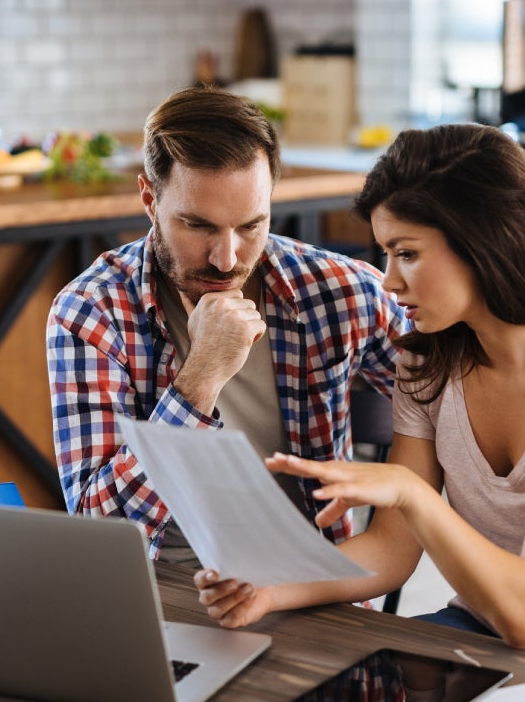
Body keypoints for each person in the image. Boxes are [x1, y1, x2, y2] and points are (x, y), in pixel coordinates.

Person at [195, 124, 525, 683]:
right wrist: (269, 588)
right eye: (386, 255)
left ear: (486, 241)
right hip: (481, 638)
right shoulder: (428, 365)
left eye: (406, 253)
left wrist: (412, 495)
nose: (388, 282)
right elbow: (390, 551)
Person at [46, 87, 407, 564]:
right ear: (150, 200)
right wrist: (199, 381)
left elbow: (454, 407)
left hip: (314, 588)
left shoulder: (341, 291)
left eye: (251, 226)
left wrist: (390, 530)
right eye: (198, 226)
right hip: (163, 591)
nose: (227, 258)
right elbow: (101, 532)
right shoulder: (91, 313)